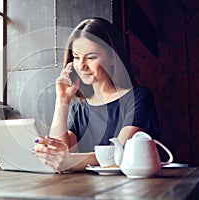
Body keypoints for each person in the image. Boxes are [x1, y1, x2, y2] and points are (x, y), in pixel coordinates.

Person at [33, 17, 161, 172]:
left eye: (91, 57)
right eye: (76, 57)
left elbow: (119, 155)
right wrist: (62, 100)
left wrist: (70, 161)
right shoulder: (79, 110)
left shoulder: (138, 97)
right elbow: (60, 153)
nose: (81, 66)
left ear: (113, 58)